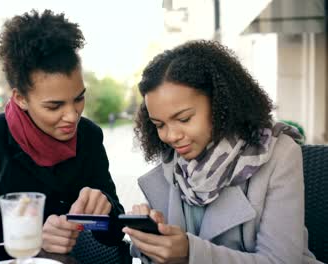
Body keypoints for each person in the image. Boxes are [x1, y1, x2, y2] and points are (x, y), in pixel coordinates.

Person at [125, 40, 321, 263]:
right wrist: (150, 240)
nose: (171, 136)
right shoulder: (173, 163)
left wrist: (191, 253)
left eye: (184, 119)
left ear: (220, 103)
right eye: (159, 125)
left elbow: (281, 260)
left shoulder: (280, 154)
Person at [0, 10, 125, 253]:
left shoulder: (89, 136)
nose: (72, 115)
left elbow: (114, 235)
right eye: (54, 106)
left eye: (78, 99)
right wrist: (31, 238)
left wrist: (105, 207)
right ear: (21, 98)